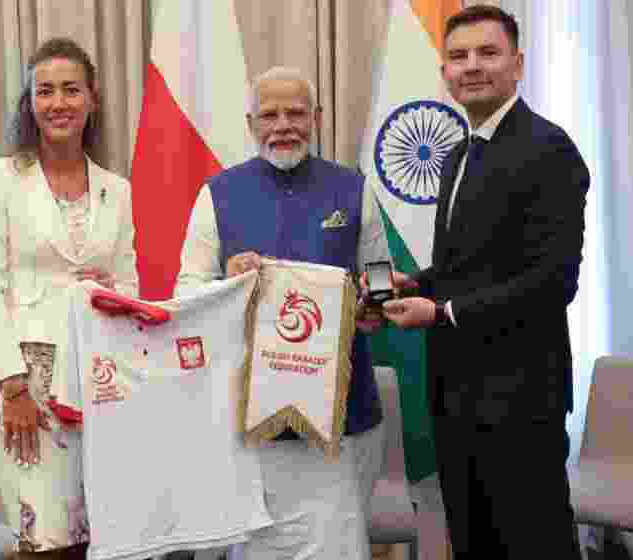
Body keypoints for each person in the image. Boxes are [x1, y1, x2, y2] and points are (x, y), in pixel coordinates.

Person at [380, 6, 589, 558]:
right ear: (444, 72)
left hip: (520, 399)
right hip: (454, 393)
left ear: (517, 65)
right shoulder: (457, 154)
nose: (471, 66)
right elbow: (472, 265)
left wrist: (441, 312)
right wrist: (416, 284)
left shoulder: (548, 149)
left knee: (532, 544)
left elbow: (553, 281)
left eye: (487, 53)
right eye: (458, 56)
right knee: (473, 543)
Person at [177, 66, 389, 560]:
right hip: (251, 416)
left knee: (339, 547)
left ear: (316, 118)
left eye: (295, 113)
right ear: (251, 123)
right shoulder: (218, 193)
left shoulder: (353, 189)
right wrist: (229, 281)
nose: (283, 125)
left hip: (344, 415)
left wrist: (375, 307)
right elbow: (186, 293)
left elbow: (380, 275)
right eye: (269, 115)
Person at [0, 37, 137, 558]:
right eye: (45, 91)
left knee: (94, 535)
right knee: (44, 538)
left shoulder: (117, 189)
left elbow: (129, 286)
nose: (58, 102)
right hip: (25, 380)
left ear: (92, 99)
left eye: (71, 89)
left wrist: (110, 291)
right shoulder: (0, 178)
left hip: (96, 378)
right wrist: (13, 387)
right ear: (30, 102)